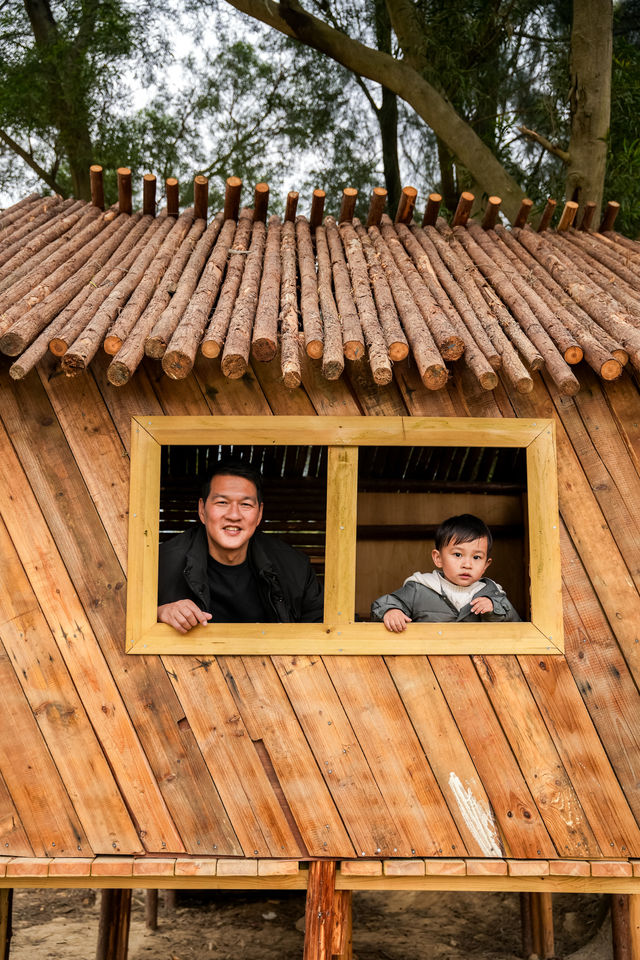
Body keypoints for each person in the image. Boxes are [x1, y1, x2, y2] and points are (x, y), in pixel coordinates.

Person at [157, 459, 324, 633]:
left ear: (259, 514)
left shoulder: (294, 567)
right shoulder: (162, 564)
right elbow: (128, 620)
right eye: (222, 502)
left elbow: (323, 629)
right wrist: (159, 613)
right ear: (202, 510)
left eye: (245, 504)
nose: (234, 515)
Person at [371, 513, 521, 631]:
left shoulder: (492, 593)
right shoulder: (420, 588)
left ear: (485, 565)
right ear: (438, 558)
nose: (467, 564)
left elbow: (518, 627)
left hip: (479, 667)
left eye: (476, 557)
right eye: (457, 555)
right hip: (428, 666)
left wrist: (495, 609)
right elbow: (383, 604)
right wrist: (391, 611)